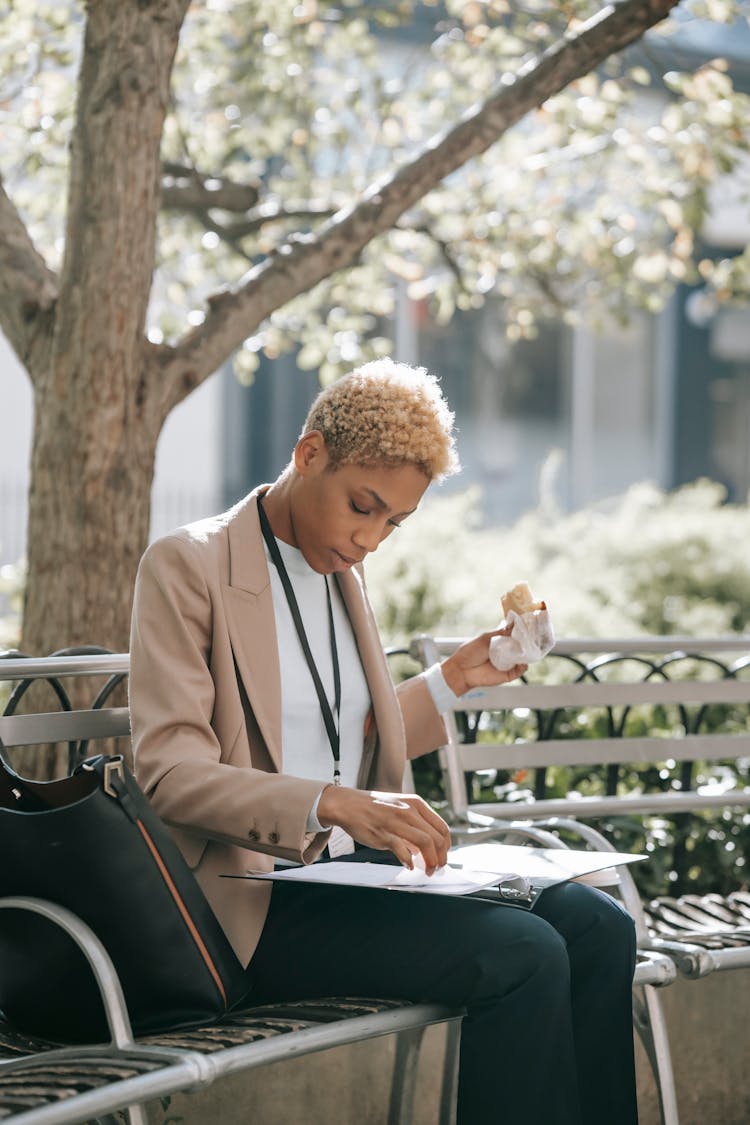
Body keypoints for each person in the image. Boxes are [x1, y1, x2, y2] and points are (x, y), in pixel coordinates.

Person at [129, 359, 638, 1125]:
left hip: (356, 882)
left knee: (602, 924)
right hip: (256, 903)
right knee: (524, 953)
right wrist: (329, 803)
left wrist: (458, 679)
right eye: (362, 507)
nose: (369, 538)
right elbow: (168, 773)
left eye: (392, 523)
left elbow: (345, 735)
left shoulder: (342, 573)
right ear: (308, 455)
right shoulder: (189, 565)